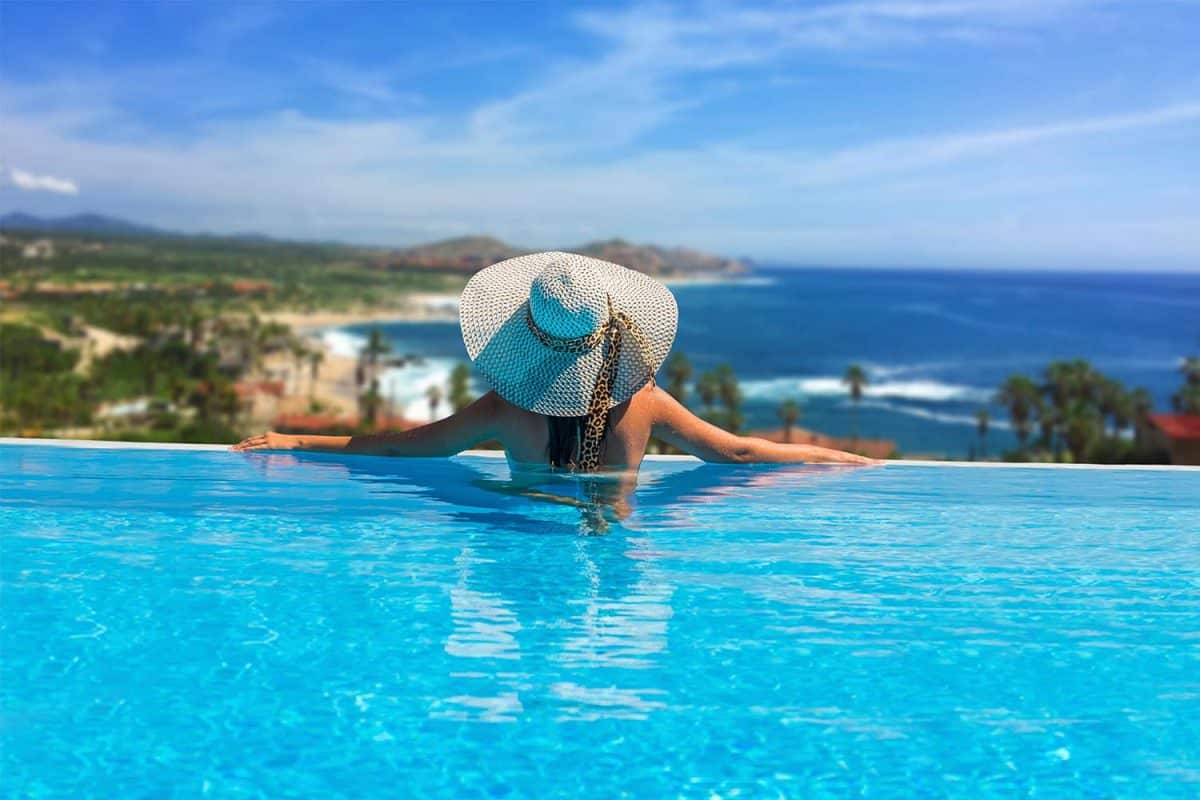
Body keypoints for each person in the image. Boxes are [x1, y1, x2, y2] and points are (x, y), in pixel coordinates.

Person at [233, 251, 877, 470]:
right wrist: (839, 459)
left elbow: (404, 448)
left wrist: (293, 440)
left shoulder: (506, 409)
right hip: (616, 554)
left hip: (523, 551)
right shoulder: (644, 401)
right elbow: (737, 453)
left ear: (524, 334)